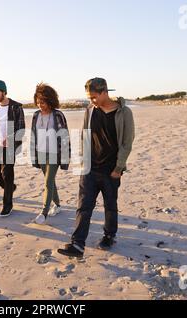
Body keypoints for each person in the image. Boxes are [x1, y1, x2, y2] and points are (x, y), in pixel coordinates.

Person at [58, 78, 135, 258]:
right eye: (89, 97)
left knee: (110, 205)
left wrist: (119, 167)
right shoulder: (90, 110)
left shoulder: (124, 113)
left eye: (93, 97)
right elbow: (85, 135)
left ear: (104, 92)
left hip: (111, 170)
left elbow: (127, 142)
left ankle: (109, 235)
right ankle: (77, 244)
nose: (91, 101)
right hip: (90, 168)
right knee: (83, 207)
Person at [30, 83, 70, 225]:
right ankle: (58, 205)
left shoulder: (58, 115)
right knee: (50, 181)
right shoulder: (35, 115)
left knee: (47, 182)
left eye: (43, 101)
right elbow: (33, 136)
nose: (40, 104)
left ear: (50, 100)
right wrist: (33, 155)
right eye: (38, 101)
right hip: (40, 152)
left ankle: (44, 213)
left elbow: (64, 136)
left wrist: (65, 157)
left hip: (54, 153)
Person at [0, 80, 25, 217]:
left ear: (4, 92)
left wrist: (11, 139)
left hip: (9, 146)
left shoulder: (16, 107)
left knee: (7, 175)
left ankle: (7, 204)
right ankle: (10, 189)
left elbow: (21, 128)